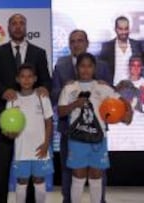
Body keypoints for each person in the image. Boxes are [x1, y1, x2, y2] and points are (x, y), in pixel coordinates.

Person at [0, 13, 51, 203]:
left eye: (21, 23)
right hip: (4, 117)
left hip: (32, 123)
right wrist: (3, 90)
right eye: (14, 23)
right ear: (8, 27)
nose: (17, 26)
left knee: (30, 168)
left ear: (26, 27)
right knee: (2, 165)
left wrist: (43, 88)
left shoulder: (39, 52)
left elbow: (46, 79)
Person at [58, 53, 133, 203]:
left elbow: (120, 101)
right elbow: (60, 111)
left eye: (89, 66)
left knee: (96, 175)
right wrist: (74, 104)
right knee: (78, 176)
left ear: (94, 68)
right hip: (77, 139)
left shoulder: (102, 87)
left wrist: (128, 111)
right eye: (82, 66)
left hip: (99, 139)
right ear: (77, 68)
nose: (86, 69)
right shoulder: (69, 87)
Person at [51, 29, 112, 203]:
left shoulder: (102, 65)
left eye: (80, 40)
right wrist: (66, 88)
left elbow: (110, 92)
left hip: (97, 129)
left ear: (87, 43)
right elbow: (53, 94)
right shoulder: (61, 65)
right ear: (69, 45)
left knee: (98, 171)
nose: (76, 44)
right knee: (68, 169)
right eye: (72, 41)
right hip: (69, 129)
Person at [5, 64, 53, 203]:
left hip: (40, 149)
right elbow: (9, 127)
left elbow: (49, 122)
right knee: (21, 182)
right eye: (23, 77)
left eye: (30, 76)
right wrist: (10, 134)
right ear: (17, 79)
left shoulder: (42, 97)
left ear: (35, 79)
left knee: (39, 181)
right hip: (22, 149)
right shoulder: (12, 100)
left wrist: (46, 144)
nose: (26, 80)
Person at [99, 16, 143, 85]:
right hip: (114, 88)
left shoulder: (137, 45)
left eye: (126, 29)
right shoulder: (107, 47)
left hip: (135, 87)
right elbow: (101, 69)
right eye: (121, 29)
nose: (124, 32)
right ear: (115, 29)